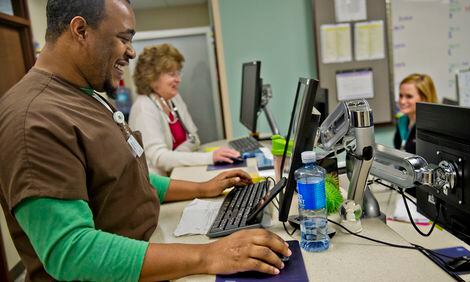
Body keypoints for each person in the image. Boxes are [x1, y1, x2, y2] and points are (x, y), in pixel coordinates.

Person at [0, 1, 290, 281]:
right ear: (80, 30)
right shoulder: (33, 118)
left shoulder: (88, 97)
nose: (132, 52)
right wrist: (207, 255)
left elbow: (129, 179)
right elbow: (72, 251)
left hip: (149, 247)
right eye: (123, 38)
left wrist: (203, 187)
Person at [129, 43, 240, 175]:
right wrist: (209, 157)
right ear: (152, 77)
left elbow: (194, 138)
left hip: (178, 172)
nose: (179, 79)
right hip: (157, 185)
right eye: (172, 74)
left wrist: (175, 156)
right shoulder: (144, 107)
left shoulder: (174, 99)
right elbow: (160, 158)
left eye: (178, 73)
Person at [394, 73, 438, 154]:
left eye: (409, 96)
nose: (402, 101)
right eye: (401, 95)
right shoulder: (401, 120)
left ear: (424, 98)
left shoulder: (431, 128)